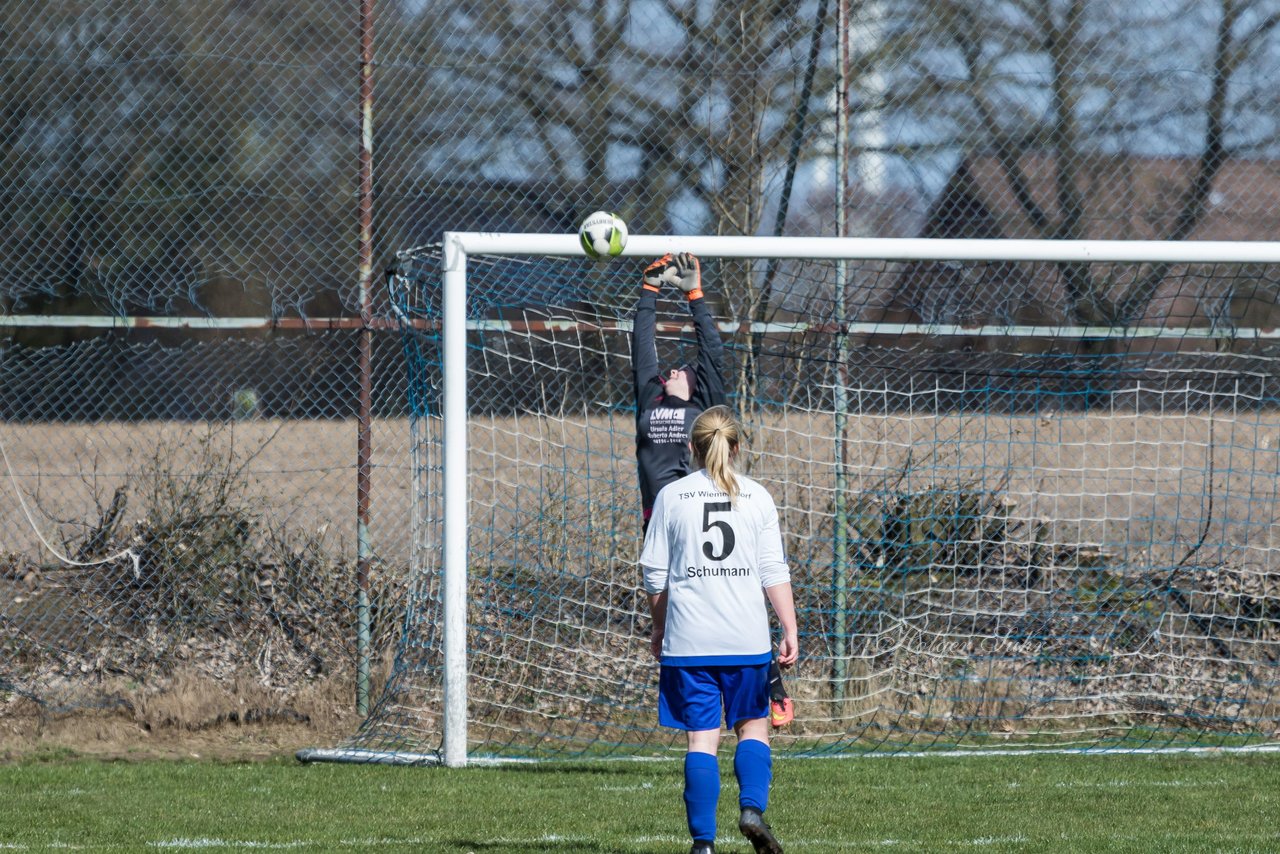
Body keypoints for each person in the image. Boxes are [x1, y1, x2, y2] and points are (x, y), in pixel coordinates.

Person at [639, 405, 798, 854]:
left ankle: (703, 845)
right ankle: (751, 810)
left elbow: (655, 575)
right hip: (745, 640)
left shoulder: (671, 496)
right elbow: (772, 569)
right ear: (737, 447)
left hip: (689, 642)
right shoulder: (757, 495)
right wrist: (790, 628)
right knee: (753, 728)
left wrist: (659, 627)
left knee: (701, 741)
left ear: (691, 447)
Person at [631, 252, 727, 535]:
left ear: (698, 382)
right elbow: (642, 349)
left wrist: (695, 296)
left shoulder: (706, 408)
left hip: (701, 522)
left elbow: (712, 354)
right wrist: (650, 291)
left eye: (683, 370)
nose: (672, 372)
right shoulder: (652, 398)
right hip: (658, 520)